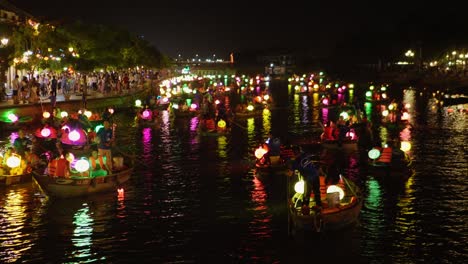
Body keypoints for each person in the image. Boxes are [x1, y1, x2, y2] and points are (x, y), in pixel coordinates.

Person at [288, 145, 324, 214]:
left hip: (308, 178)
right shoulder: (305, 155)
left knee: (307, 193)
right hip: (316, 175)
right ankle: (319, 206)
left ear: (294, 153)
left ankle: (305, 207)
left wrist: (288, 171)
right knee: (317, 192)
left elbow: (290, 173)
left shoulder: (295, 162)